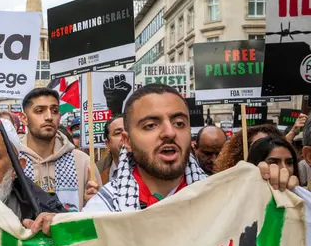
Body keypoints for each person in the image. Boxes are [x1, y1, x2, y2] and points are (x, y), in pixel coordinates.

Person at [83, 84, 297, 214]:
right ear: (127, 141)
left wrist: (274, 192)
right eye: (151, 125)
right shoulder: (102, 212)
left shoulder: (223, 200)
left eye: (179, 123)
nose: (169, 132)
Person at [19, 88, 101, 211]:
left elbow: (98, 214)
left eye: (54, 110)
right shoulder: (13, 160)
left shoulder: (83, 162)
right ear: (24, 118)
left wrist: (91, 203)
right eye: (40, 111)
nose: (49, 117)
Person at [214, 124, 284, 173]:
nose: (284, 168)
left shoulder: (293, 191)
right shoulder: (228, 190)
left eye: (289, 162)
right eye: (259, 149)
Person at [96, 115, 125, 184]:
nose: (125, 136)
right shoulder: (97, 171)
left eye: (129, 130)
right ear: (107, 143)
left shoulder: (150, 166)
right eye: (118, 133)